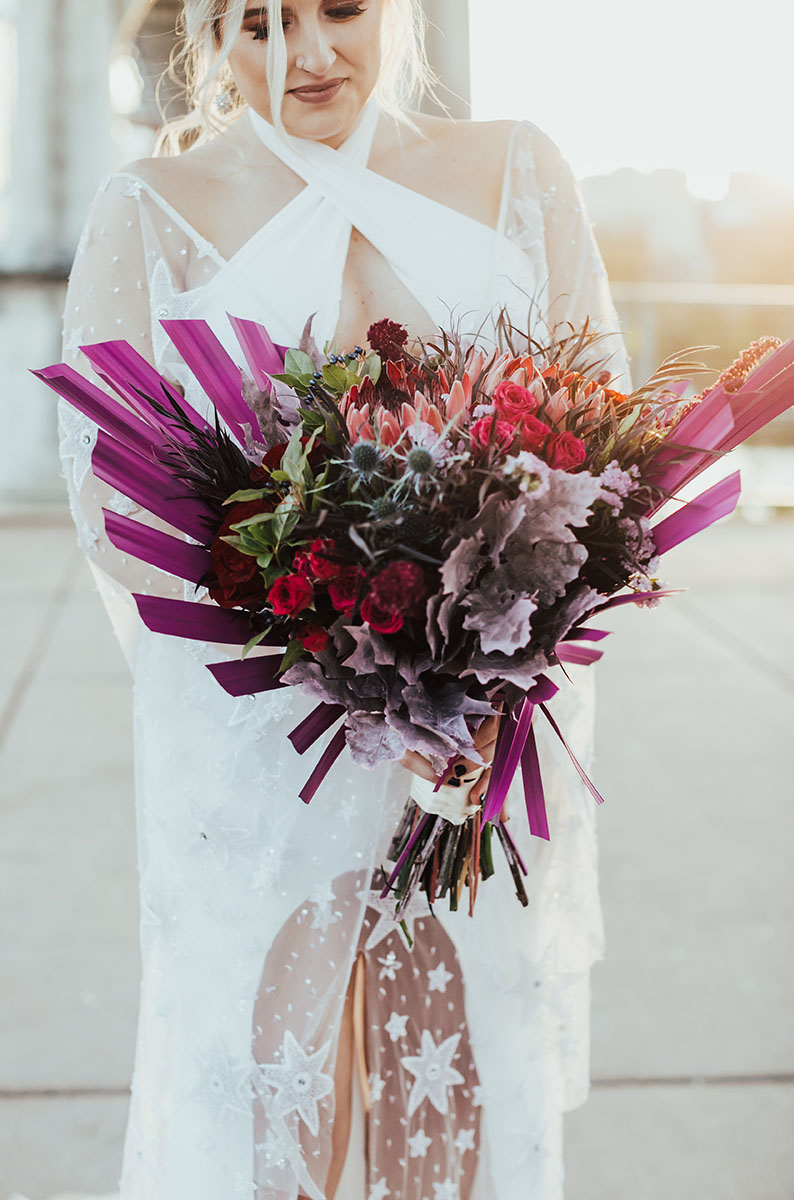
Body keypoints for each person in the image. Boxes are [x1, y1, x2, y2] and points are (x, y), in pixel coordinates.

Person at [57, 2, 632, 1197]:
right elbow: (108, 494)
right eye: (258, 24)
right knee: (274, 1073)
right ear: (207, 31)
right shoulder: (150, 209)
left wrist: (495, 672)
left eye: (338, 10)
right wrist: (325, 656)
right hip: (265, 730)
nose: (307, 56)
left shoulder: (515, 167)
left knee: (455, 1052)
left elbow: (601, 448)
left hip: (476, 720)